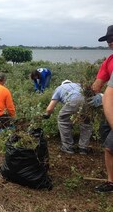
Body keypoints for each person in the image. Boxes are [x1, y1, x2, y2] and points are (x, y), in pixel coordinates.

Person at [90, 25, 113, 192]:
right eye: (108, 40)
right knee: (108, 142)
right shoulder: (109, 62)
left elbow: (108, 95)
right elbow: (97, 86)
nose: (110, 43)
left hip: (110, 108)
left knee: (109, 147)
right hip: (110, 110)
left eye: (112, 39)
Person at [43, 80, 92, 155]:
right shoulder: (78, 84)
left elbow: (50, 108)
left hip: (72, 100)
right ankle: (83, 148)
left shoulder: (59, 88)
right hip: (86, 102)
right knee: (86, 123)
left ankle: (68, 146)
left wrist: (47, 114)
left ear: (62, 84)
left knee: (63, 120)